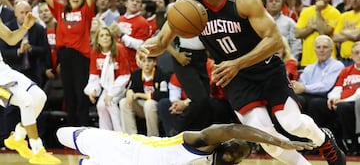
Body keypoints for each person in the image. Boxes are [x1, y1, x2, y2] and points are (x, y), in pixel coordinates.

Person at [136, 0, 346, 164]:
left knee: (292, 123)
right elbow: (162, 41)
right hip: (234, 77)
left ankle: (324, 140)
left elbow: (275, 41)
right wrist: (146, 48)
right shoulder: (187, 6)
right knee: (264, 137)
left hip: (266, 68)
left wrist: (237, 63)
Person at [56, 123, 316, 165]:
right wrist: (279, 141)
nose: (237, 152)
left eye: (241, 155)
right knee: (61, 134)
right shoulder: (199, 142)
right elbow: (233, 129)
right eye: (237, 146)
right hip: (127, 146)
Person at [0, 12, 61, 164]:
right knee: (26, 100)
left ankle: (17, 137)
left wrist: (26, 26)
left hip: (3, 69)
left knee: (39, 97)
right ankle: (38, 150)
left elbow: (11, 38)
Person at [43, 0, 95, 126]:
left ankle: (83, 129)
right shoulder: (61, 10)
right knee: (69, 95)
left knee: (80, 95)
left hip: (81, 57)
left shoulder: (86, 12)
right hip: (64, 56)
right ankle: (71, 130)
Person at [84, 26, 131, 131]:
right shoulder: (95, 53)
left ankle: (120, 134)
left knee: (110, 103)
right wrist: (93, 90)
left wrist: (111, 94)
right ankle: (105, 134)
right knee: (100, 106)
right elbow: (94, 76)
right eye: (101, 36)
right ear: (98, 40)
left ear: (111, 38)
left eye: (107, 35)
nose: (105, 38)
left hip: (122, 86)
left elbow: (125, 76)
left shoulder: (120, 49)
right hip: (107, 87)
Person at [119, 56, 169, 136]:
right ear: (139, 63)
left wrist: (141, 95)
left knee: (149, 104)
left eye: (149, 61)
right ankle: (131, 135)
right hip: (141, 107)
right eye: (144, 61)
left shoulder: (161, 74)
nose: (146, 64)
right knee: (123, 102)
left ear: (155, 62)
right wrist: (129, 93)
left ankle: (152, 136)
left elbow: (163, 94)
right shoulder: (136, 74)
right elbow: (131, 88)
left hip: (156, 108)